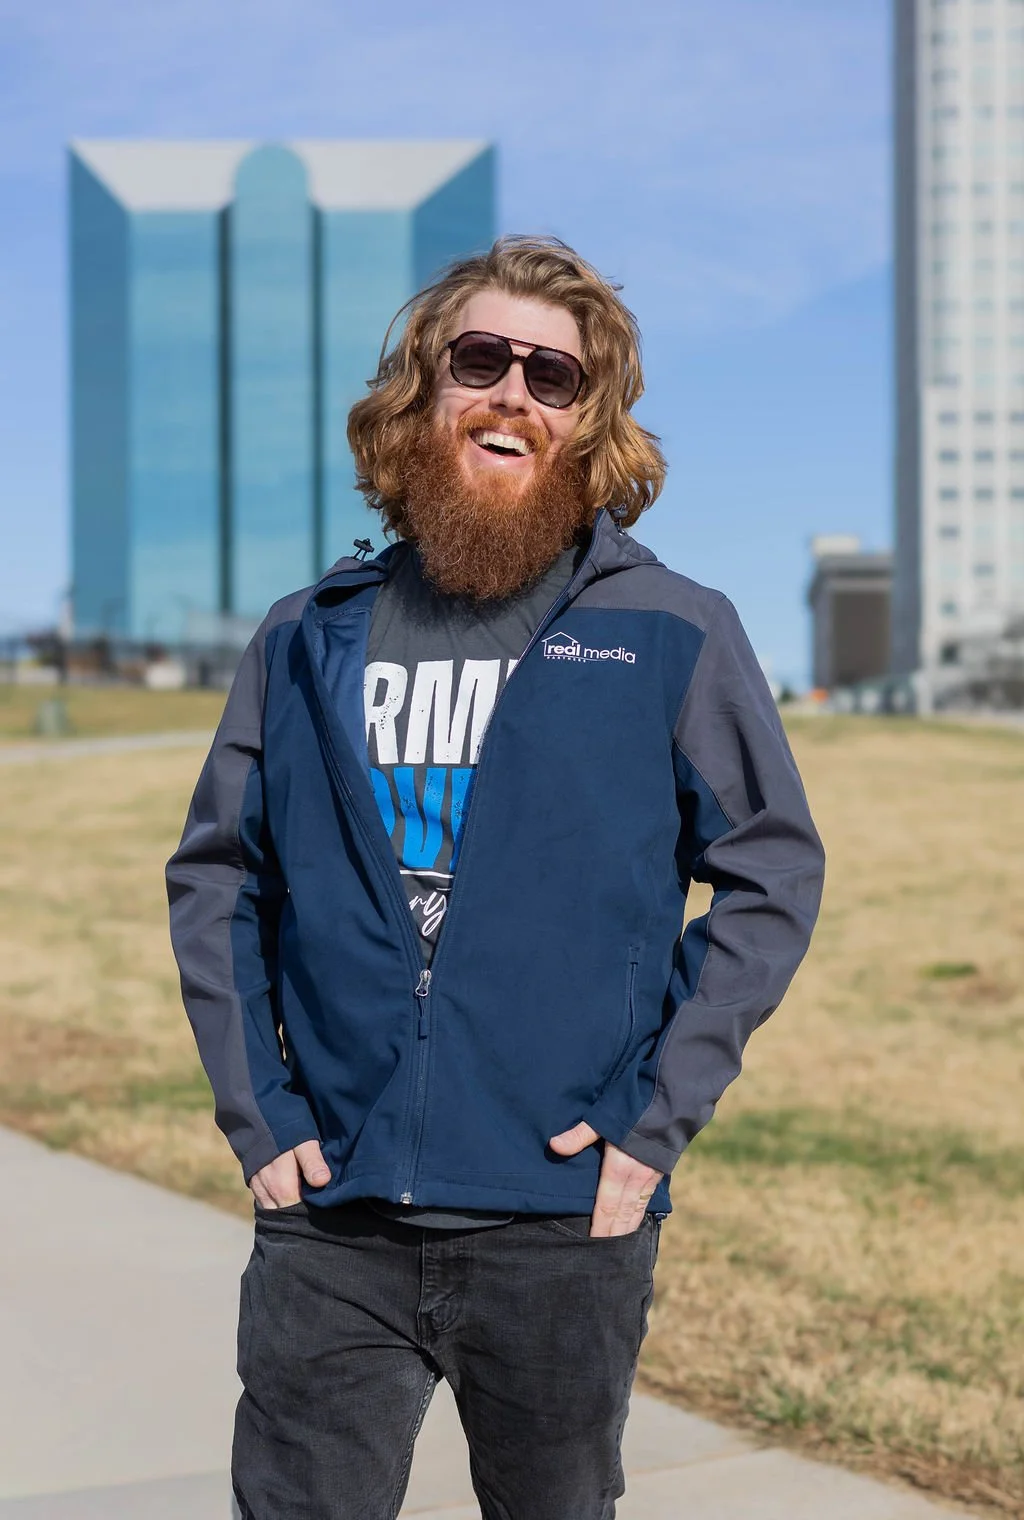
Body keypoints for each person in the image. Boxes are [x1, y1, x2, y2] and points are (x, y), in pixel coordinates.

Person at [167, 234, 825, 1520]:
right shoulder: (306, 636)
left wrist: (652, 1116)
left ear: (589, 422)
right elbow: (221, 878)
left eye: (555, 375)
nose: (515, 391)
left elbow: (770, 871)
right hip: (332, 1220)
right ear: (423, 386)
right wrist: (265, 1117)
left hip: (559, 1222)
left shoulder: (672, 628)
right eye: (483, 359)